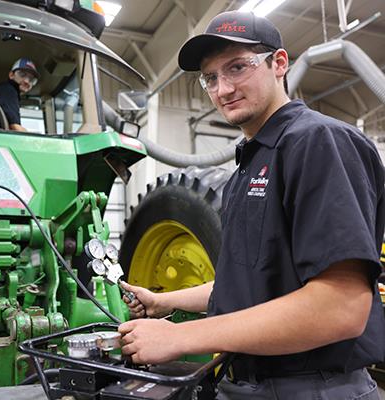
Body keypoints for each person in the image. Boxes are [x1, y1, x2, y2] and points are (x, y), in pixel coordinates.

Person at [118, 10, 385, 400]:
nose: (223, 89)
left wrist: (181, 336)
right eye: (210, 78)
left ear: (279, 64)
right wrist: (163, 302)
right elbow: (250, 284)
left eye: (238, 68)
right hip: (248, 383)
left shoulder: (316, 142)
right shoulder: (251, 163)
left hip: (313, 388)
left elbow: (341, 307)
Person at [0, 58, 39, 132]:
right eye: (22, 74)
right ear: (11, 75)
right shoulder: (8, 91)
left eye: (31, 79)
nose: (27, 81)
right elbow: (15, 127)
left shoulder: (3, 90)